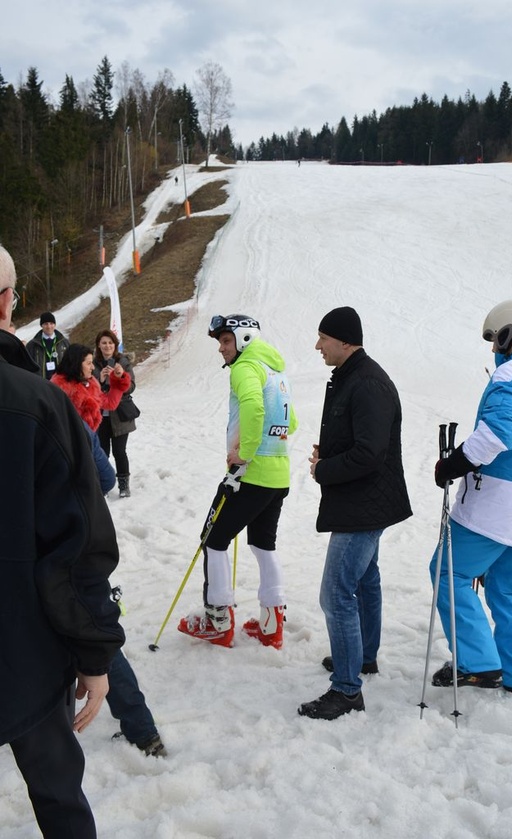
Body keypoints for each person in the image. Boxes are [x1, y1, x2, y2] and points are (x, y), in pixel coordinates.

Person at [0, 245, 125, 838]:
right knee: (57, 796)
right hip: (24, 651)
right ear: (8, 303)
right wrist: (94, 654)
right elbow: (77, 546)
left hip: (23, 645)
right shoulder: (37, 402)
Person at [431, 299, 512, 697]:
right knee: (506, 587)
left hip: (497, 502)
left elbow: (500, 434)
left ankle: (479, 664)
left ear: (508, 333)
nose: (492, 349)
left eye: (494, 339)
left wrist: (456, 463)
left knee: (447, 572)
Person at [298, 307, 412, 720]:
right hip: (364, 499)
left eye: (323, 338)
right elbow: (358, 439)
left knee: (336, 592)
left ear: (345, 341)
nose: (317, 345)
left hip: (365, 505)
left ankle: (347, 691)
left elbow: (369, 453)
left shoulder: (367, 382)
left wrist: (324, 468)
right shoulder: (353, 377)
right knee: (365, 579)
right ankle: (362, 656)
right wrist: (328, 452)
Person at [178, 314, 297, 650]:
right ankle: (271, 625)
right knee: (263, 544)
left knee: (214, 541)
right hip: (278, 475)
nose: (221, 348)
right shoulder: (275, 369)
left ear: (244, 339)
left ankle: (217, 621)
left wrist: (245, 453)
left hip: (251, 475)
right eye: (219, 342)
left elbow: (255, 409)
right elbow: (293, 420)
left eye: (226, 340)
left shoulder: (246, 368)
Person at [72, 378, 166, 757]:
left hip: (44, 549)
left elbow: (109, 476)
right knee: (98, 633)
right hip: (78, 539)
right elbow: (105, 476)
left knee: (94, 633)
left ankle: (142, 732)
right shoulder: (57, 405)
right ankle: (143, 732)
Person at [51, 343, 130, 457]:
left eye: (92, 363)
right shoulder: (58, 389)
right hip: (69, 449)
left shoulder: (91, 382)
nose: (93, 367)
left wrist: (118, 381)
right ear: (76, 364)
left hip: (90, 442)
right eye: (88, 363)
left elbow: (109, 403)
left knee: (106, 473)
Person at [93, 329, 137, 498]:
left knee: (120, 451)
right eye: (104, 343)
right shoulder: (93, 363)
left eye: (110, 343)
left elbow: (131, 386)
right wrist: (101, 380)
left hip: (120, 415)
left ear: (115, 345)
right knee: (102, 452)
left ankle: (124, 486)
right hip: (99, 416)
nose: (107, 346)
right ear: (98, 345)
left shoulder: (123, 362)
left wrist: (119, 377)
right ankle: (102, 484)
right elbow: (88, 387)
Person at [26, 310, 70, 379]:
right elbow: (28, 366)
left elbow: (71, 363)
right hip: (41, 384)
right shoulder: (32, 345)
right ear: (41, 325)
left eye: (51, 323)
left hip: (60, 383)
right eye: (46, 324)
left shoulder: (64, 342)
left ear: (55, 325)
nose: (49, 326)